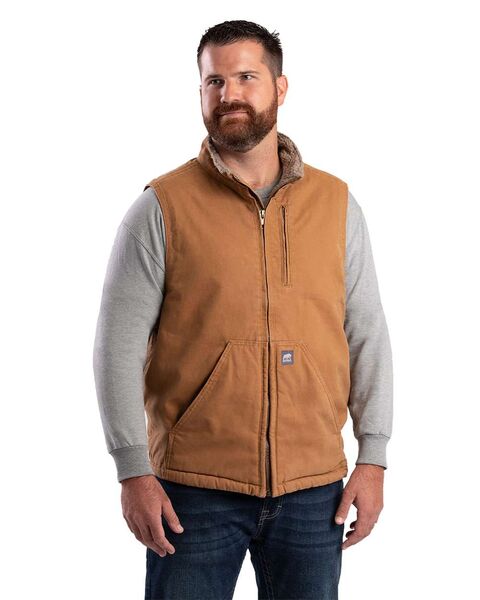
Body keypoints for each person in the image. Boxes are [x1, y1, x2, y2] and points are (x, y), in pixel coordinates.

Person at [92, 19, 393, 600]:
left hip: (315, 491)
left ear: (280, 88)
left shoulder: (336, 204)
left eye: (246, 78)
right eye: (215, 81)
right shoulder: (162, 207)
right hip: (192, 492)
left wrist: (373, 457)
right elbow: (116, 348)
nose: (229, 94)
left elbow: (366, 334)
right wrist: (132, 470)